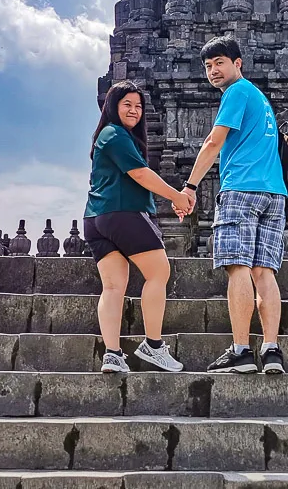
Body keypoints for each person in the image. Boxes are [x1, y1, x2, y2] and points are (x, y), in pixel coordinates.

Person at [177, 36, 287, 374]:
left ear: (238, 64)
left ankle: (241, 351)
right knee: (264, 272)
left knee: (237, 266)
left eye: (219, 63)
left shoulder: (236, 92)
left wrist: (190, 185)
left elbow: (213, 142)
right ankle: (271, 350)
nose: (213, 71)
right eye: (208, 66)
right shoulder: (260, 98)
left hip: (241, 190)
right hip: (274, 193)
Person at [84, 80, 191, 374]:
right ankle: (153, 346)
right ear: (112, 107)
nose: (134, 110)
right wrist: (177, 197)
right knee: (159, 272)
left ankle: (113, 354)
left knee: (114, 286)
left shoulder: (109, 136)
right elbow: (141, 175)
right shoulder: (115, 134)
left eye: (138, 106)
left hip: (96, 219)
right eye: (127, 104)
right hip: (122, 214)